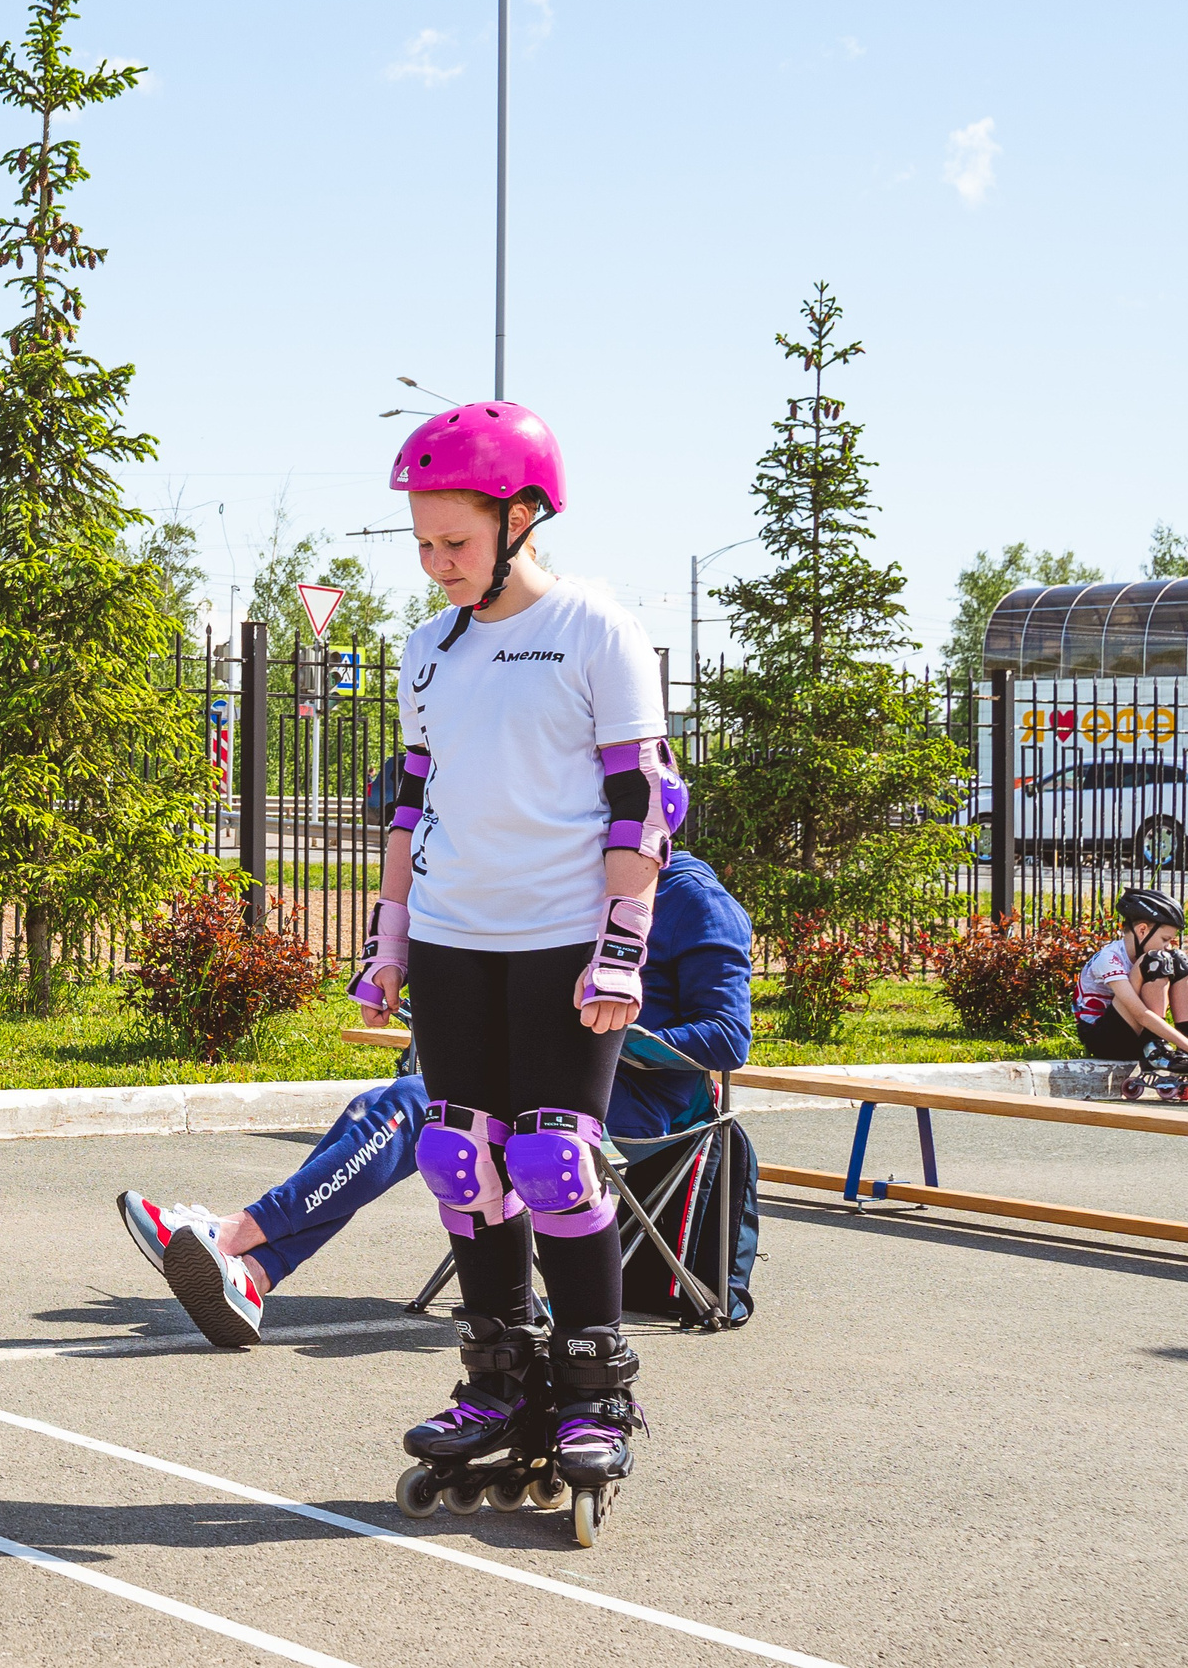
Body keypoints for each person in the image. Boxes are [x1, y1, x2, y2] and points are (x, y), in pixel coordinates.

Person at [359, 401, 677, 1543]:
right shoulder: (427, 648)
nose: (438, 565)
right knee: (459, 1157)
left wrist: (622, 946)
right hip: (452, 936)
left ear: (521, 517)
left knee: (554, 1155)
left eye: (455, 542)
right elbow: (410, 797)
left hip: (562, 939)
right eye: (423, 546)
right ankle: (497, 1375)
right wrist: (389, 940)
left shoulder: (597, 628)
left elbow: (644, 797)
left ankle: (595, 1389)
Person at [118, 849, 751, 1349]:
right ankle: (253, 1277)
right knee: (400, 1105)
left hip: (641, 1109)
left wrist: (605, 1035)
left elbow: (729, 1037)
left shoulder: (693, 900)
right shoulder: (566, 892)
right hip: (534, 1079)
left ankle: (234, 1236)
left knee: (417, 1103)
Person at [1076, 887, 1188, 1096]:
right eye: (1165, 939)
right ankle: (1155, 1050)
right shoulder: (1109, 959)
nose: (1167, 945)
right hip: (1104, 1038)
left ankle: (1170, 1049)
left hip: (1136, 1031)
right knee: (1157, 961)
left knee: (1177, 960)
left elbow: (1187, 1006)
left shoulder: (1150, 956)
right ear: (1142, 930)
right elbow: (1139, 1013)